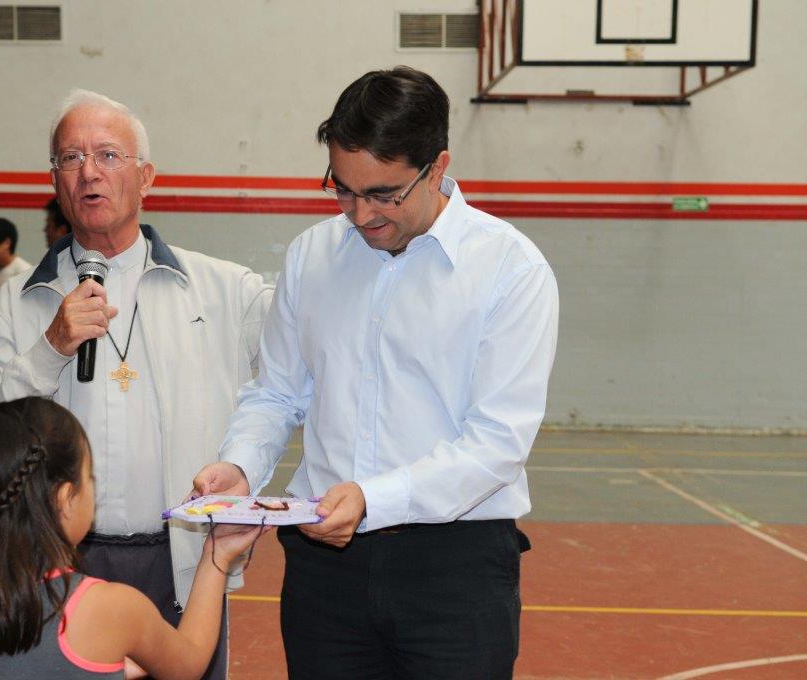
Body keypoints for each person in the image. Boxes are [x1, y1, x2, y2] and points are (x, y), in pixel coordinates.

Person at [195, 66, 559, 679]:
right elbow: (276, 394)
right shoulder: (312, 255)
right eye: (343, 190)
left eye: (384, 194)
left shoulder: (510, 269)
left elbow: (498, 443)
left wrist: (372, 500)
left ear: (437, 169)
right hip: (324, 571)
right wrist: (240, 468)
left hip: (454, 571)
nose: (361, 214)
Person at [0, 89, 272, 679]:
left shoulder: (225, 291)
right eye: (70, 158)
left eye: (107, 155)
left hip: (180, 560)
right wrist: (47, 351)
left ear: (146, 176)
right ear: (55, 181)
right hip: (54, 569)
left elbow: (303, 354)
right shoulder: (16, 307)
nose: (88, 173)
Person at [0, 397, 267, 679]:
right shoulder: (107, 608)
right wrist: (216, 555)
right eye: (89, 477)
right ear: (66, 498)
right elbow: (188, 663)